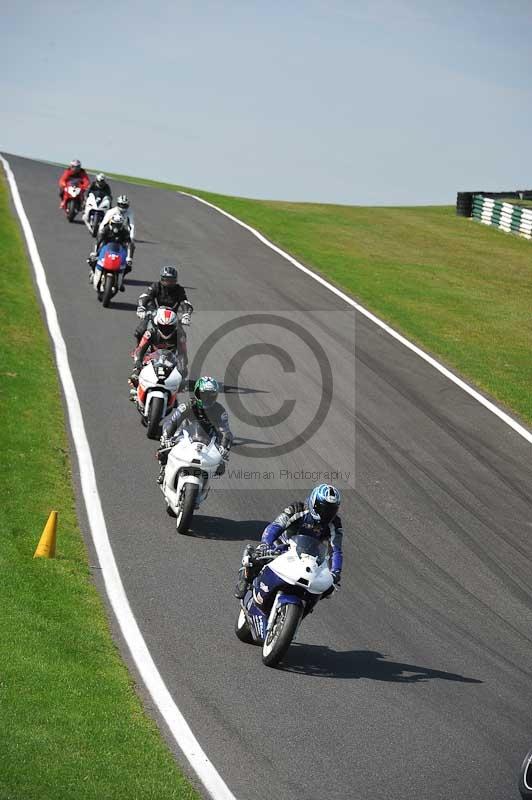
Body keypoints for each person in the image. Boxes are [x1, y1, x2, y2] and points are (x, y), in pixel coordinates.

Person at [234, 484, 343, 599]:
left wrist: (335, 572)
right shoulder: (297, 509)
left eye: (331, 511)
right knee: (257, 560)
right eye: (322, 508)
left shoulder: (335, 524)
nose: (326, 514)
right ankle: (245, 575)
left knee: (324, 590)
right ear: (313, 503)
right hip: (282, 548)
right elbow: (276, 526)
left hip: (310, 558)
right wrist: (265, 544)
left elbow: (336, 550)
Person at [156, 377, 232, 484]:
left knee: (221, 466)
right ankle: (164, 468)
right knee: (165, 448)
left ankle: (205, 478)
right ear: (197, 393)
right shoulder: (187, 406)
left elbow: (226, 432)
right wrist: (167, 437)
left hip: (210, 438)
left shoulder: (220, 411)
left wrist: (224, 448)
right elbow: (173, 422)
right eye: (204, 394)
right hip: (187, 434)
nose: (207, 398)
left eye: (210, 395)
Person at [129, 307, 188, 392]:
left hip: (170, 358)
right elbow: (140, 349)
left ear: (175, 326)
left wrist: (182, 366)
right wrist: (138, 363)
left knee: (182, 376)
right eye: (163, 326)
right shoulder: (151, 332)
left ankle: (173, 396)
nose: (166, 330)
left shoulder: (180, 335)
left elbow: (183, 353)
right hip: (151, 356)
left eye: (169, 327)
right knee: (135, 375)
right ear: (158, 325)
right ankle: (137, 390)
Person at [134, 265, 193, 342]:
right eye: (167, 280)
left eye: (172, 280)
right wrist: (141, 307)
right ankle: (139, 352)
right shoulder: (156, 286)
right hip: (154, 315)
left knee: (182, 338)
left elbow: (184, 302)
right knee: (139, 333)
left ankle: (182, 354)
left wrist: (186, 315)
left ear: (176, 280)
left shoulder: (179, 290)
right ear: (162, 279)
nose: (169, 282)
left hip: (172, 318)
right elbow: (145, 296)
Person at [87, 212, 134, 289]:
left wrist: (129, 257)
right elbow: (98, 241)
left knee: (128, 266)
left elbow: (129, 244)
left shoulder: (125, 231)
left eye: (118, 225)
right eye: (114, 224)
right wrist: (94, 252)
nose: (116, 227)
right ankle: (93, 272)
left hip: (119, 249)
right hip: (105, 247)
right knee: (92, 260)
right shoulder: (106, 229)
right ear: (111, 223)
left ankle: (120, 280)